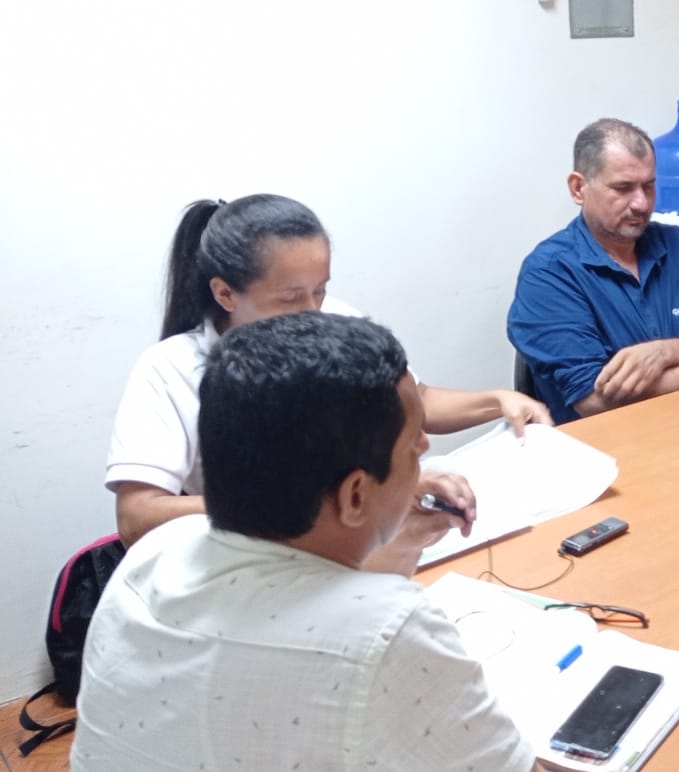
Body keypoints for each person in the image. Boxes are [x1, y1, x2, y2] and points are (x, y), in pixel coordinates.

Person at [73, 312, 537, 770]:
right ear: (355, 495)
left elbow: (311, 595)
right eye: (413, 443)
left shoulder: (156, 550)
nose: (425, 450)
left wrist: (398, 542)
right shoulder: (389, 630)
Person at [107, 194, 550, 550]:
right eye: (289, 298)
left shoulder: (335, 321)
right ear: (225, 294)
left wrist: (498, 400)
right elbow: (137, 516)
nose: (312, 313)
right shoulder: (169, 369)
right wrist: (340, 501)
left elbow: (413, 403)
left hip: (360, 538)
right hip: (258, 558)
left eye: (319, 291)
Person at [508, 118, 679, 424]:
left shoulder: (678, 244)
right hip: (608, 441)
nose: (642, 203)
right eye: (623, 188)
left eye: (649, 186)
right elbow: (593, 399)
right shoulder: (549, 272)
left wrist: (664, 353)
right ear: (579, 188)